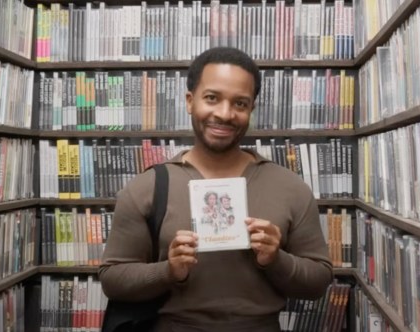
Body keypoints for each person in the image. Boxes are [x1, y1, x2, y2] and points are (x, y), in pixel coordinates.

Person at [99, 47, 334, 332]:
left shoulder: (290, 187)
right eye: (212, 98)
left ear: (251, 110)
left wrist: (276, 260)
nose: (225, 114)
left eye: (240, 103)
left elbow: (318, 282)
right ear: (190, 101)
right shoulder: (146, 188)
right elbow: (112, 279)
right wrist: (169, 271)